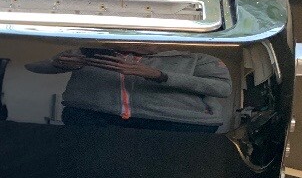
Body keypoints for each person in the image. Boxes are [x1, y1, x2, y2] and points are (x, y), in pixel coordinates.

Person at [28, 45, 233, 132]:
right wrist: (59, 63)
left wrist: (159, 75)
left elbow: (222, 88)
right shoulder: (91, 51)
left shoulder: (199, 59)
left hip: (179, 125)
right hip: (93, 119)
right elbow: (33, 67)